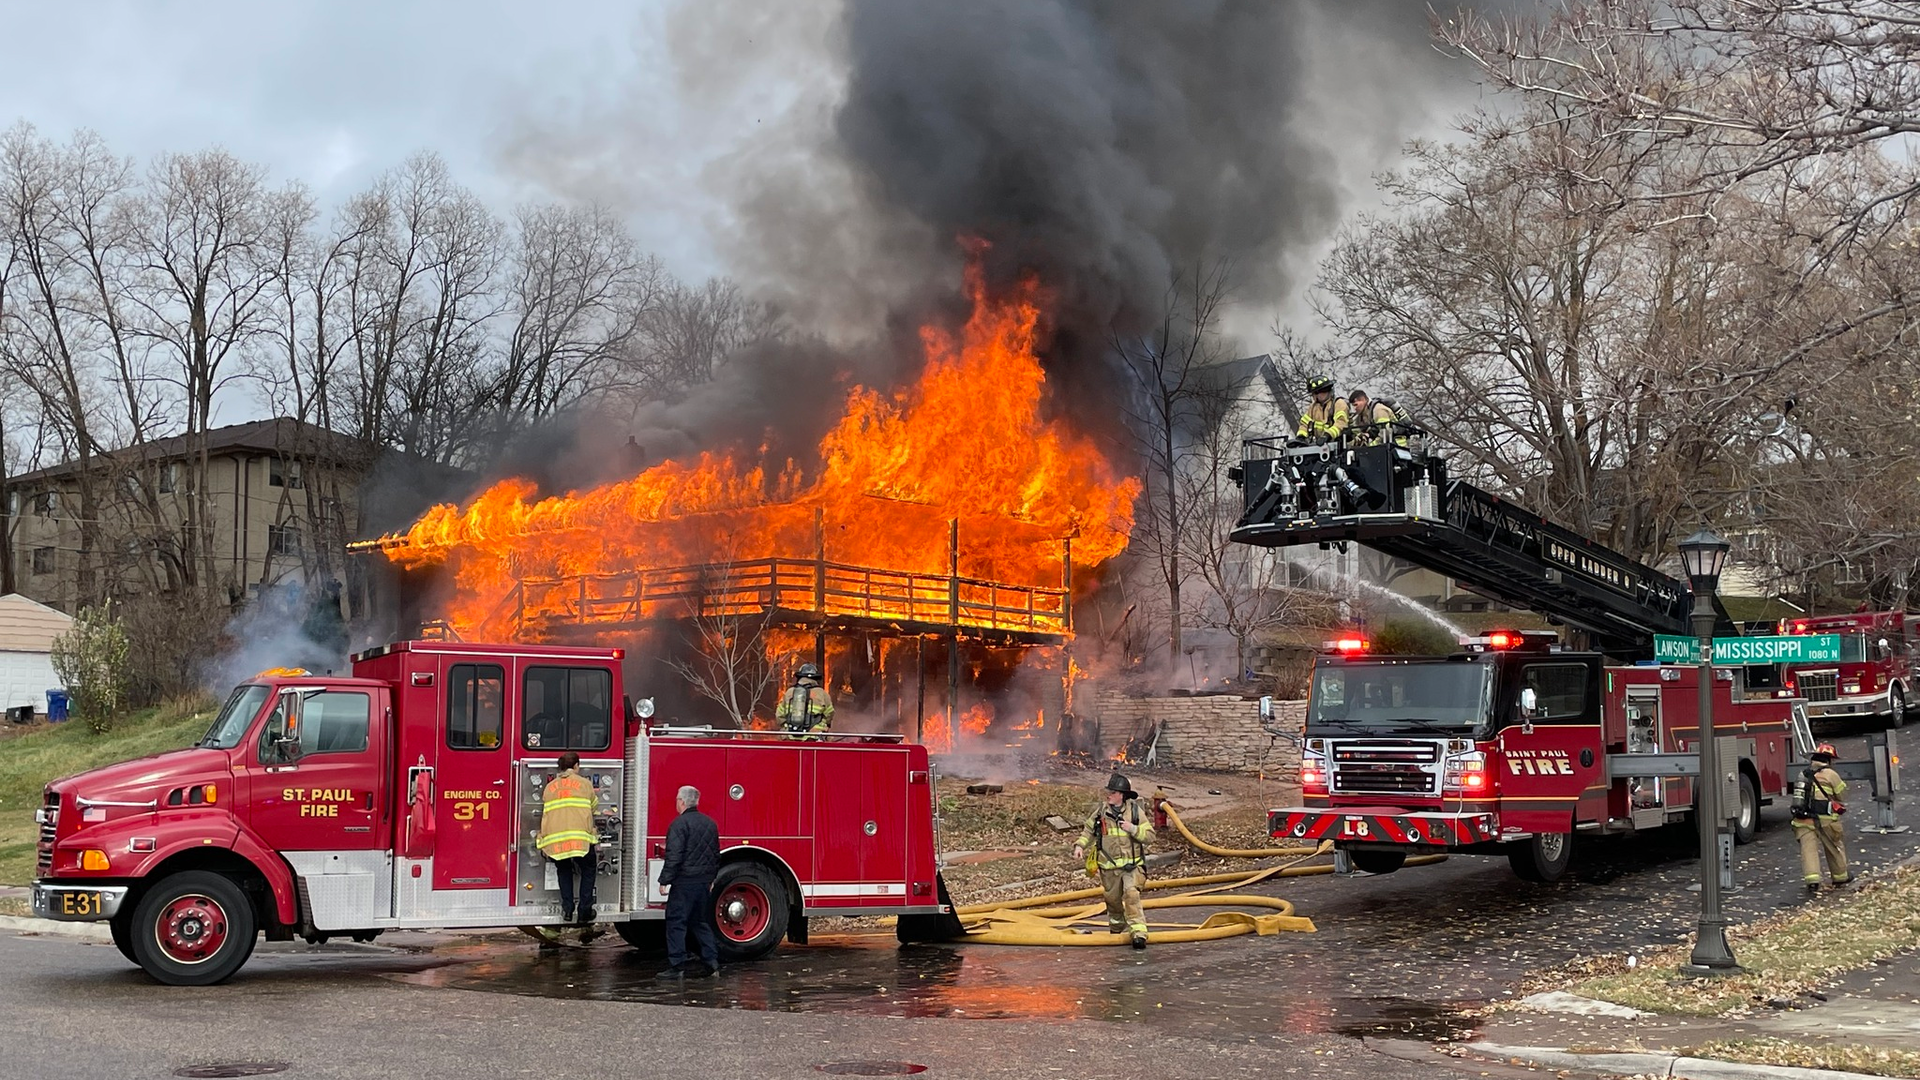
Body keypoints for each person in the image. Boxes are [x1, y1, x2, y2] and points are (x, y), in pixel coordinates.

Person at [1073, 771, 1155, 949]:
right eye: (1108, 792)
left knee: (1131, 894)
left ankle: (1139, 934)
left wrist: (1132, 828)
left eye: (1112, 792)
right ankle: (1117, 930)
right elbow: (1088, 831)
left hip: (1131, 867)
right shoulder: (1101, 812)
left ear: (1121, 795)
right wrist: (1079, 846)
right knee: (1113, 902)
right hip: (1109, 869)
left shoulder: (1134, 811)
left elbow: (1150, 836)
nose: (1108, 795)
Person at [657, 784, 722, 979]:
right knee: (700, 922)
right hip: (703, 883)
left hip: (684, 882)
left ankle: (677, 966)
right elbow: (715, 855)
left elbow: (674, 856)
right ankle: (712, 962)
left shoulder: (679, 825)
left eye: (677, 799)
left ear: (682, 802)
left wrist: (664, 880)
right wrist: (711, 879)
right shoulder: (710, 823)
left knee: (676, 922)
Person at [536, 751, 601, 941]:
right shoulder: (585, 783)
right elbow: (593, 807)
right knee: (588, 870)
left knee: (564, 872)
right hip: (580, 839)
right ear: (576, 766)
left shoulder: (549, 787)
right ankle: (584, 911)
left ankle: (567, 910)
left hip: (556, 841)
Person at [1791, 742, 1851, 892]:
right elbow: (1842, 795)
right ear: (1829, 760)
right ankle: (1840, 877)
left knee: (1808, 850)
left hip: (1802, 820)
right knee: (1834, 847)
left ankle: (1813, 881)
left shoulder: (1803, 774)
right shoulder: (1831, 774)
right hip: (1825, 820)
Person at [775, 662, 834, 735]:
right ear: (816, 678)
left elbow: (779, 716)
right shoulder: (822, 694)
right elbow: (830, 714)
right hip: (813, 737)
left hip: (790, 737)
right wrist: (821, 726)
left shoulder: (789, 692)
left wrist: (787, 727)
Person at [1295, 375, 1350, 442]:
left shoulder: (1338, 404)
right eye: (1314, 393)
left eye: (1316, 392)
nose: (1315, 396)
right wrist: (1301, 436)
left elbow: (1341, 423)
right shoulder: (1313, 407)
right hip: (1319, 445)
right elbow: (1304, 424)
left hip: (1338, 445)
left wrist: (1328, 435)